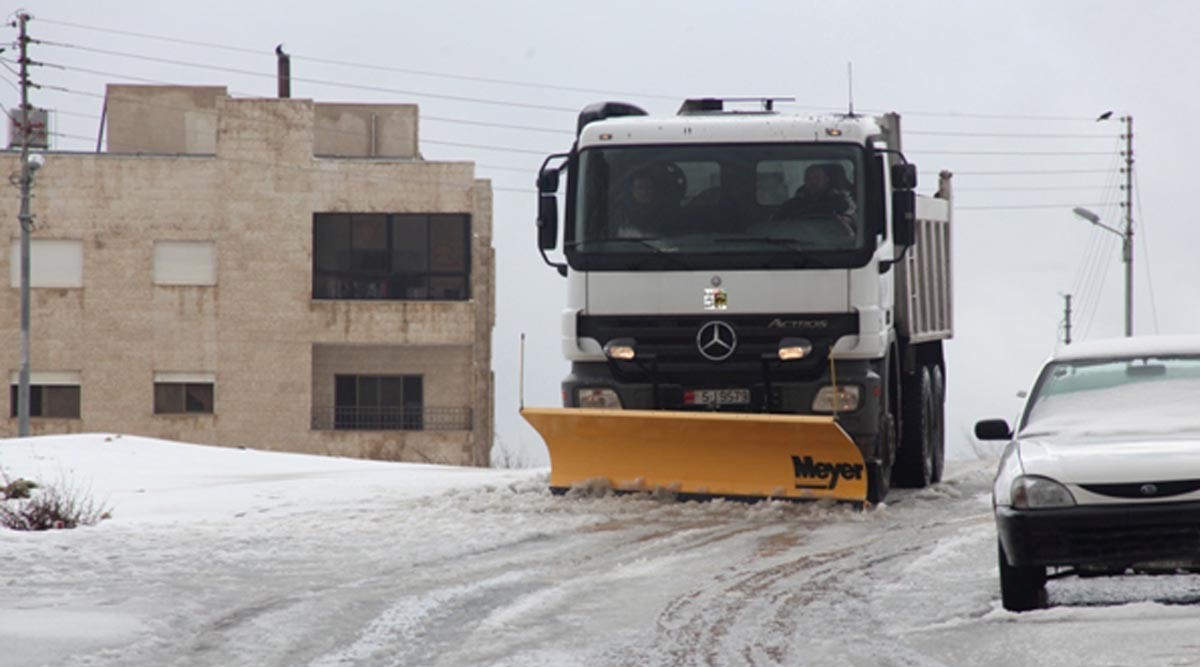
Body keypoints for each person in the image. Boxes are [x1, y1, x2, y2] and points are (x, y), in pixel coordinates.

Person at [773, 163, 857, 236]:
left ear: (826, 180)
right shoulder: (792, 205)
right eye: (809, 179)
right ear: (804, 181)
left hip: (835, 246)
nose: (813, 182)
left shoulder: (842, 202)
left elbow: (853, 221)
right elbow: (776, 226)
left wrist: (844, 220)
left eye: (817, 178)